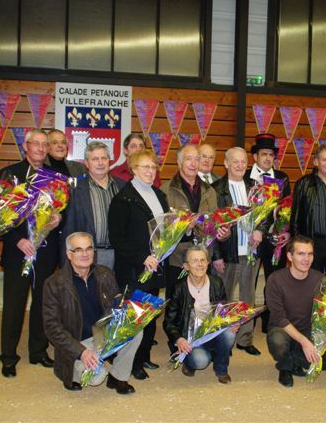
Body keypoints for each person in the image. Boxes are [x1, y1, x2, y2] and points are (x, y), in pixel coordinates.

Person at [0, 129, 62, 378]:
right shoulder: (10, 174)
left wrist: (58, 219)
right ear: (26, 146)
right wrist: (17, 240)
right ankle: (9, 357)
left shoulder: (54, 176)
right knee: (14, 305)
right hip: (19, 251)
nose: (42, 149)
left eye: (45, 145)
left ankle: (38, 351)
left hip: (45, 252)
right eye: (37, 144)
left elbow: (60, 210)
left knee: (42, 305)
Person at [42, 232, 141, 394]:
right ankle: (73, 373)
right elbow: (52, 328)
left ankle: (118, 377)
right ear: (69, 254)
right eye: (79, 250)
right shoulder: (54, 284)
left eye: (89, 248)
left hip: (101, 335)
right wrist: (81, 352)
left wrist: (128, 310)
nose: (85, 254)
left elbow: (115, 307)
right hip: (76, 344)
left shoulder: (105, 274)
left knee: (136, 330)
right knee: (96, 378)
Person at [109, 150, 169, 381]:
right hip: (135, 268)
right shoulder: (123, 199)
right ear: (133, 169)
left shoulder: (159, 195)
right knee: (134, 318)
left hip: (155, 266)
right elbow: (118, 239)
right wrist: (142, 257)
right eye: (144, 167)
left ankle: (143, 357)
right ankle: (129, 362)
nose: (150, 171)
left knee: (151, 314)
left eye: (153, 167)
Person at [266, 235, 326, 387]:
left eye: (310, 254)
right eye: (301, 254)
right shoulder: (275, 280)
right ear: (290, 256)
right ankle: (285, 367)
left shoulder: (321, 279)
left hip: (310, 331)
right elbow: (279, 318)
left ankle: (293, 359)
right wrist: (304, 342)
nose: (306, 259)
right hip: (283, 329)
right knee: (277, 341)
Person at [161, 145, 229, 302]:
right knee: (177, 305)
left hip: (203, 259)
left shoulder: (210, 191)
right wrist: (184, 228)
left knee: (202, 304)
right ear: (179, 162)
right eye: (188, 159)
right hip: (178, 259)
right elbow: (162, 231)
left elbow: (215, 224)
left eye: (197, 159)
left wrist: (223, 234)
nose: (193, 163)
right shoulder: (166, 190)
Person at [212, 147, 263, 356]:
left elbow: (264, 215)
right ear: (226, 164)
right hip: (226, 252)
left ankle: (244, 338)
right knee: (222, 299)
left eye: (243, 162)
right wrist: (216, 256)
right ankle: (222, 339)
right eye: (235, 162)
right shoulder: (215, 190)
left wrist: (260, 230)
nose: (240, 166)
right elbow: (210, 226)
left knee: (247, 297)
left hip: (250, 251)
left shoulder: (255, 187)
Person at [163, 245, 235, 384]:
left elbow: (223, 310)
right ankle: (189, 364)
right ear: (186, 266)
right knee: (201, 361)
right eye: (194, 261)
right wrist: (178, 339)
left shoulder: (217, 283)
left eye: (203, 260)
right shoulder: (178, 288)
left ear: (208, 263)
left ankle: (221, 369)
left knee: (229, 334)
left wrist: (231, 322)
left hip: (211, 332)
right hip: (190, 339)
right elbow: (169, 322)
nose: (200, 264)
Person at [247, 133, 291, 333]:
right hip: (252, 238)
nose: (267, 158)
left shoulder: (282, 177)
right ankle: (247, 325)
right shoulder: (246, 176)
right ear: (255, 156)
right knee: (250, 280)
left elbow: (288, 207)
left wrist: (286, 231)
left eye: (271, 155)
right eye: (263, 154)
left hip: (275, 238)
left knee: (274, 281)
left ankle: (270, 322)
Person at [290, 144, 326, 293]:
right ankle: (310, 316)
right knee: (311, 285)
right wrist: (297, 244)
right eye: (324, 160)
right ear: (316, 162)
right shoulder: (303, 184)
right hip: (313, 243)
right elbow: (295, 216)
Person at [62, 141, 125, 270]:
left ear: (109, 161)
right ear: (87, 163)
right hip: (87, 256)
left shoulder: (123, 187)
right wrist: (66, 264)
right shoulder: (75, 190)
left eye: (104, 158)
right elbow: (69, 228)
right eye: (95, 159)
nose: (100, 163)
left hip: (119, 256)